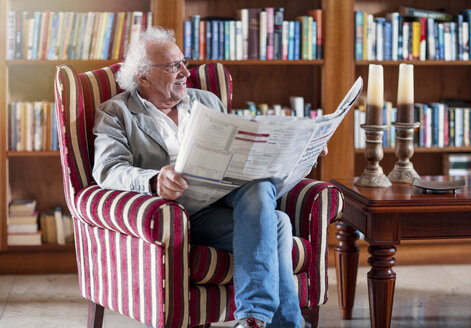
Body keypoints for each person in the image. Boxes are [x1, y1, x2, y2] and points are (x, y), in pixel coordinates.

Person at [93, 26, 325, 328]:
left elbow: (248, 145)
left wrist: (301, 145)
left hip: (226, 200)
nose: (185, 73)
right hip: (179, 216)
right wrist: (153, 180)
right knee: (277, 224)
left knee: (259, 186)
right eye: (173, 66)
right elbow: (108, 169)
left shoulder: (207, 101)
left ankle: (253, 319)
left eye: (184, 62)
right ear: (143, 75)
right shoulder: (116, 112)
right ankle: (283, 323)